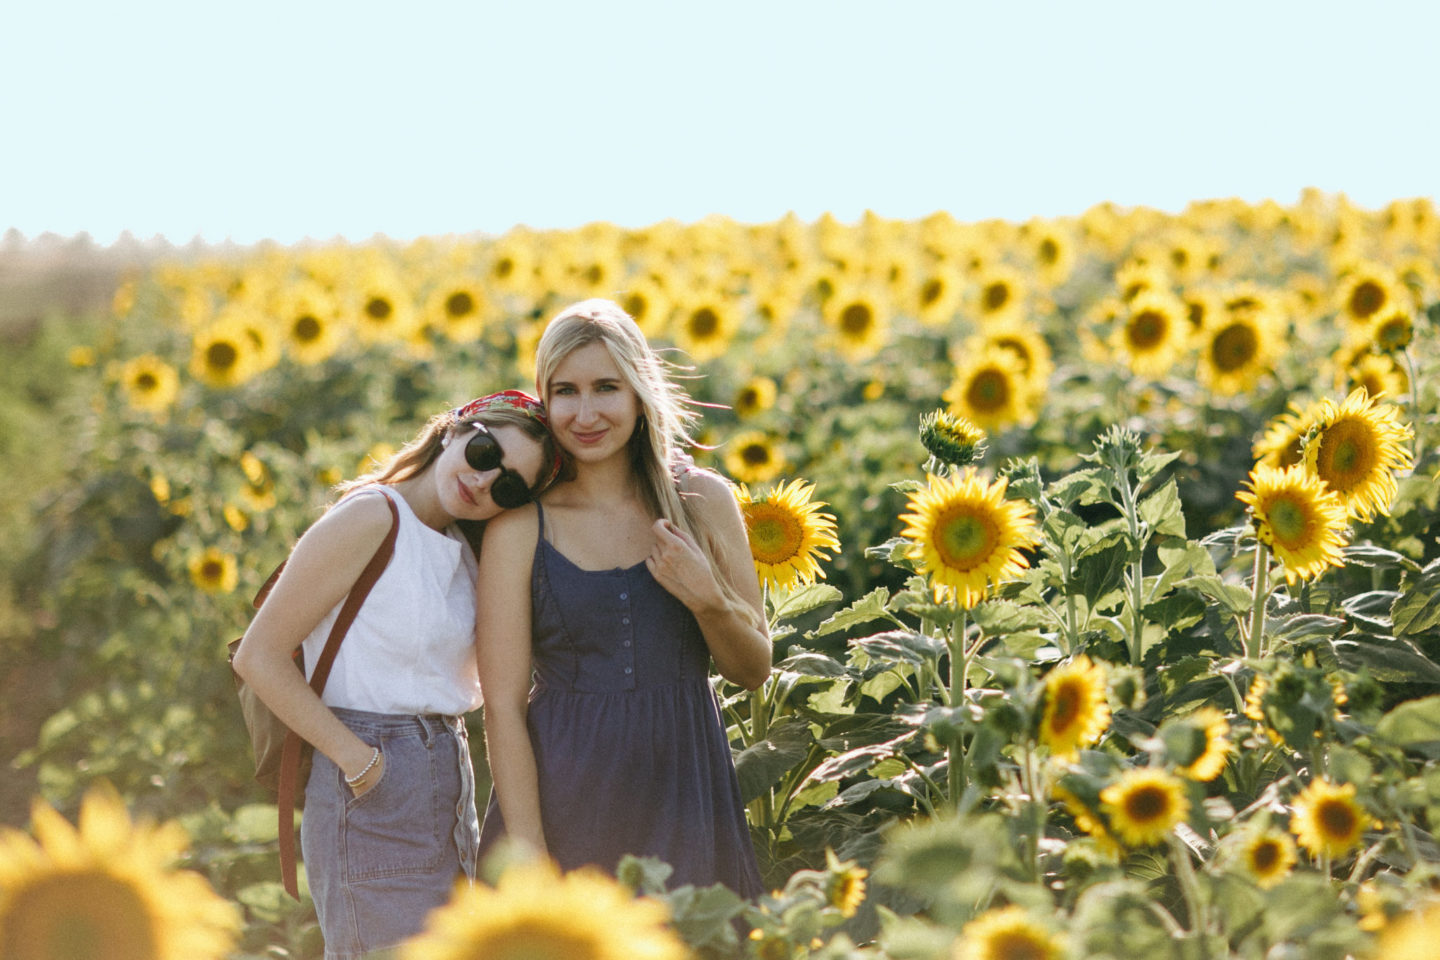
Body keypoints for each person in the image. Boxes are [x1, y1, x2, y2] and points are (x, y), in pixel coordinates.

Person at [231, 390, 564, 960]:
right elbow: (258, 655)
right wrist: (359, 761)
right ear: (458, 427)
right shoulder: (372, 516)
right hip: (372, 778)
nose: (485, 483)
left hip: (443, 778)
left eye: (508, 486)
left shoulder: (461, 546)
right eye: (485, 454)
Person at [476, 298, 771, 898]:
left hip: (687, 789)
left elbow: (753, 671)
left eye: (606, 387)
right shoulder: (519, 527)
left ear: (639, 392)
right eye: (565, 391)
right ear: (544, 399)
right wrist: (528, 850)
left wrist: (709, 601)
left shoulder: (702, 502)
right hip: (565, 792)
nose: (585, 413)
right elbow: (502, 705)